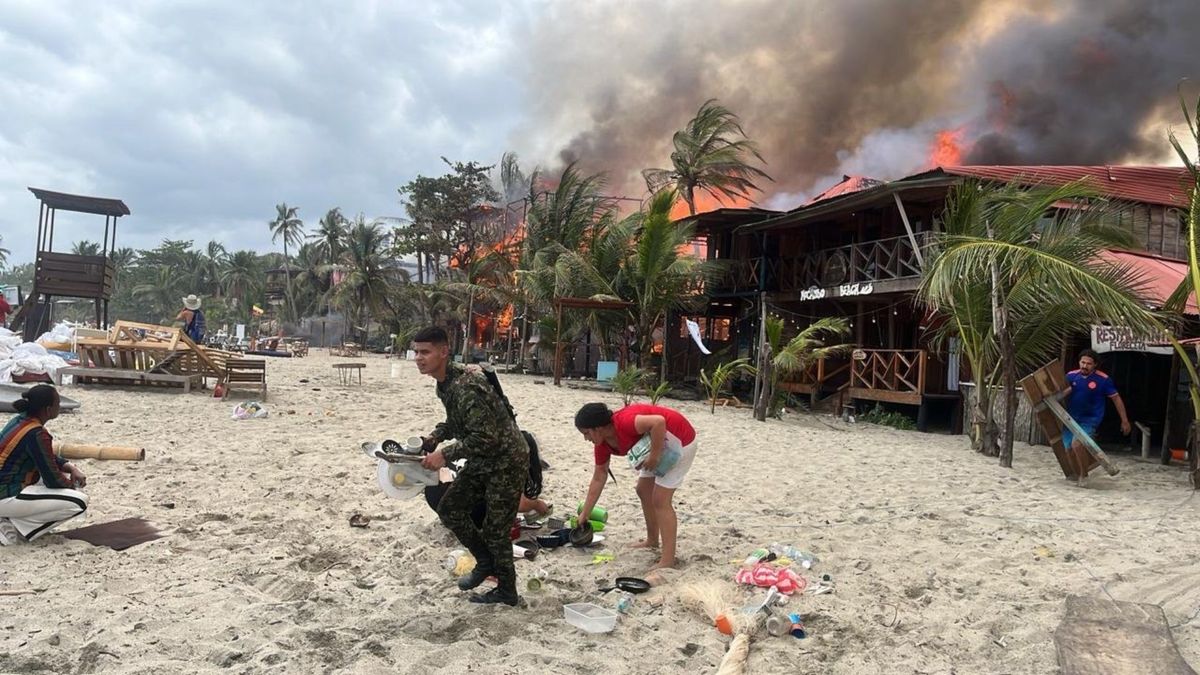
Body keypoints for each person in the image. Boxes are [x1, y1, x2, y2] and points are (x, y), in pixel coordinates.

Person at [414, 327, 529, 606]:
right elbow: (458, 421)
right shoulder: (445, 382)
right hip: (483, 457)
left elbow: (486, 436)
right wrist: (436, 436)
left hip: (506, 460)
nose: (418, 358)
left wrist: (444, 455)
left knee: (496, 530)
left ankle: (507, 591)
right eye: (416, 352)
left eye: (425, 352)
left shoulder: (466, 385)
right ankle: (485, 561)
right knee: (450, 509)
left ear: (444, 352)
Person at [574, 402, 698, 571]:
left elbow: (658, 422)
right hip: (654, 443)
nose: (586, 438)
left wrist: (654, 456)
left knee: (660, 500)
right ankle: (652, 540)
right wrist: (585, 513)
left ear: (598, 428)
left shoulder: (624, 422)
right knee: (643, 490)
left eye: (586, 433)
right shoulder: (602, 444)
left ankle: (668, 560)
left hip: (679, 439)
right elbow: (599, 476)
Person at [0, 385, 88, 545]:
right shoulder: (37, 433)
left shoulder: (20, 420)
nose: (59, 407)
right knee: (79, 502)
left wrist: (70, 467)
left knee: (57, 483)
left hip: (7, 485)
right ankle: (15, 527)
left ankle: (12, 521)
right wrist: (73, 487)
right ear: (48, 410)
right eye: (58, 404)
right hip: (5, 493)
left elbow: (45, 456)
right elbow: (53, 479)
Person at [1063, 349, 1131, 457]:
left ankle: (1084, 468)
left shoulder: (1103, 379)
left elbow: (1116, 399)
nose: (1085, 366)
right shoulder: (1071, 376)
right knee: (1068, 450)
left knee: (1077, 444)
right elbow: (1059, 392)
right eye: (1083, 362)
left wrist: (1124, 420)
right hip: (1071, 417)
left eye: (1089, 364)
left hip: (1090, 419)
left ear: (1095, 364)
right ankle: (1079, 467)